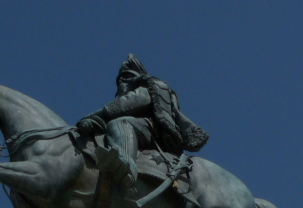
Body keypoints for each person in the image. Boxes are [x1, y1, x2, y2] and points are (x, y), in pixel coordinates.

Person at [76, 54, 209, 191]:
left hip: (154, 131)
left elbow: (126, 103)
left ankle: (125, 167)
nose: (122, 82)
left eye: (126, 78)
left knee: (120, 124)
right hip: (143, 128)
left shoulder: (148, 87)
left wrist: (93, 116)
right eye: (121, 79)